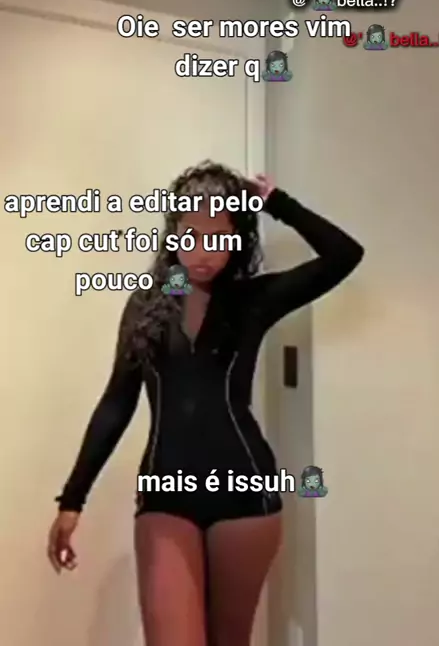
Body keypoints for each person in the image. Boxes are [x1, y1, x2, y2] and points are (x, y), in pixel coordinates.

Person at [47, 161, 364, 646]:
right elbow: (117, 403)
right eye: (191, 235)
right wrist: (73, 499)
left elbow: (345, 255)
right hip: (165, 498)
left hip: (245, 497)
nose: (203, 250)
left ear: (238, 238)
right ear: (173, 233)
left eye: (218, 237)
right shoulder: (147, 304)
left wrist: (277, 202)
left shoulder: (253, 299)